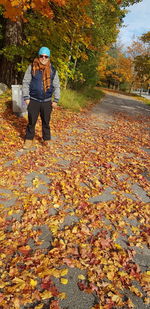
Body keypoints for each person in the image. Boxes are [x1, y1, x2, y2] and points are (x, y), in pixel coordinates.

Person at [22, 46, 60, 149]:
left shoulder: (53, 70)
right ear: (38, 56)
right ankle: (29, 139)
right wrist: (26, 98)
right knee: (31, 121)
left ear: (49, 57)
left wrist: (56, 100)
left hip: (47, 101)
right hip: (33, 100)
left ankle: (46, 139)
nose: (43, 58)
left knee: (46, 122)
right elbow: (25, 83)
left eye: (46, 56)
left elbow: (57, 86)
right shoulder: (31, 67)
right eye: (41, 56)